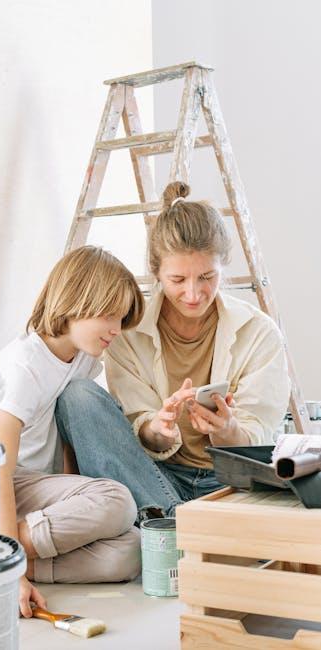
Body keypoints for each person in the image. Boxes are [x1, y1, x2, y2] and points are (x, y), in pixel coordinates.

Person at [56, 181, 290, 519]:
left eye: (207, 277)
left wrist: (227, 430)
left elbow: (258, 440)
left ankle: (166, 528)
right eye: (178, 280)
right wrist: (158, 430)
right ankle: (181, 524)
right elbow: (137, 430)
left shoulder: (259, 333)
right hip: (154, 478)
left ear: (222, 266)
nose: (194, 294)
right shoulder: (128, 333)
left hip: (229, 483)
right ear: (157, 273)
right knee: (77, 396)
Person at [0, 245, 144, 618]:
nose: (115, 329)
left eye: (121, 318)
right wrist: (12, 566)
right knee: (119, 501)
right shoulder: (24, 367)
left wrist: (74, 499)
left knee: (131, 553)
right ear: (74, 301)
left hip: (37, 491)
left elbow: (66, 435)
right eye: (109, 315)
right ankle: (2, 557)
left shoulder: (83, 357)